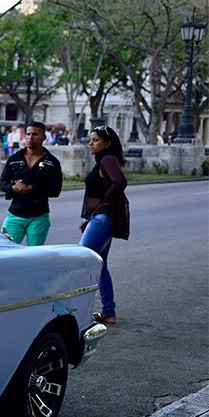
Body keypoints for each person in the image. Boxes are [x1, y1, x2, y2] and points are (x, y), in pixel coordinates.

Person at [79, 125, 129, 325]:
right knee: (100, 265)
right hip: (99, 217)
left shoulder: (108, 159)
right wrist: (90, 217)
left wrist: (104, 201)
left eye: (95, 140)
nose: (91, 143)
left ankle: (77, 312)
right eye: (90, 140)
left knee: (81, 260)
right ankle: (108, 312)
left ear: (107, 143)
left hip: (103, 217)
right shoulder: (103, 161)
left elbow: (120, 182)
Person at [0, 121, 62, 246]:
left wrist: (32, 188)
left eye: (35, 134)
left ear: (44, 137)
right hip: (15, 214)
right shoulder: (14, 159)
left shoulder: (52, 162)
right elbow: (2, 183)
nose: (30, 137)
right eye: (28, 134)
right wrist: (13, 188)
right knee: (4, 249)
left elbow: (55, 190)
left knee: (35, 255)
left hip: (39, 216)